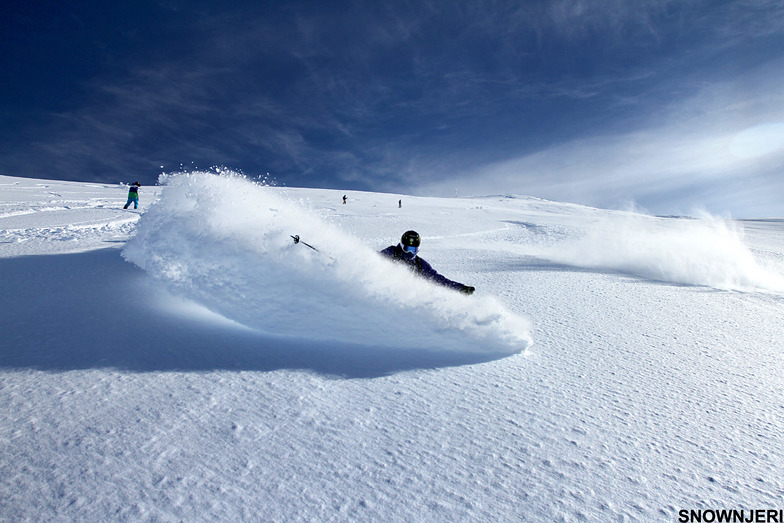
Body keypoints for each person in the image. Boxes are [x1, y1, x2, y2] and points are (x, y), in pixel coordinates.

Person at [380, 230, 475, 294]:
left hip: (407, 295)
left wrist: (460, 288)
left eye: (413, 249)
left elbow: (438, 280)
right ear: (401, 246)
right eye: (407, 248)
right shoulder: (392, 253)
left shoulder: (419, 264)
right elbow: (374, 261)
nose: (409, 252)